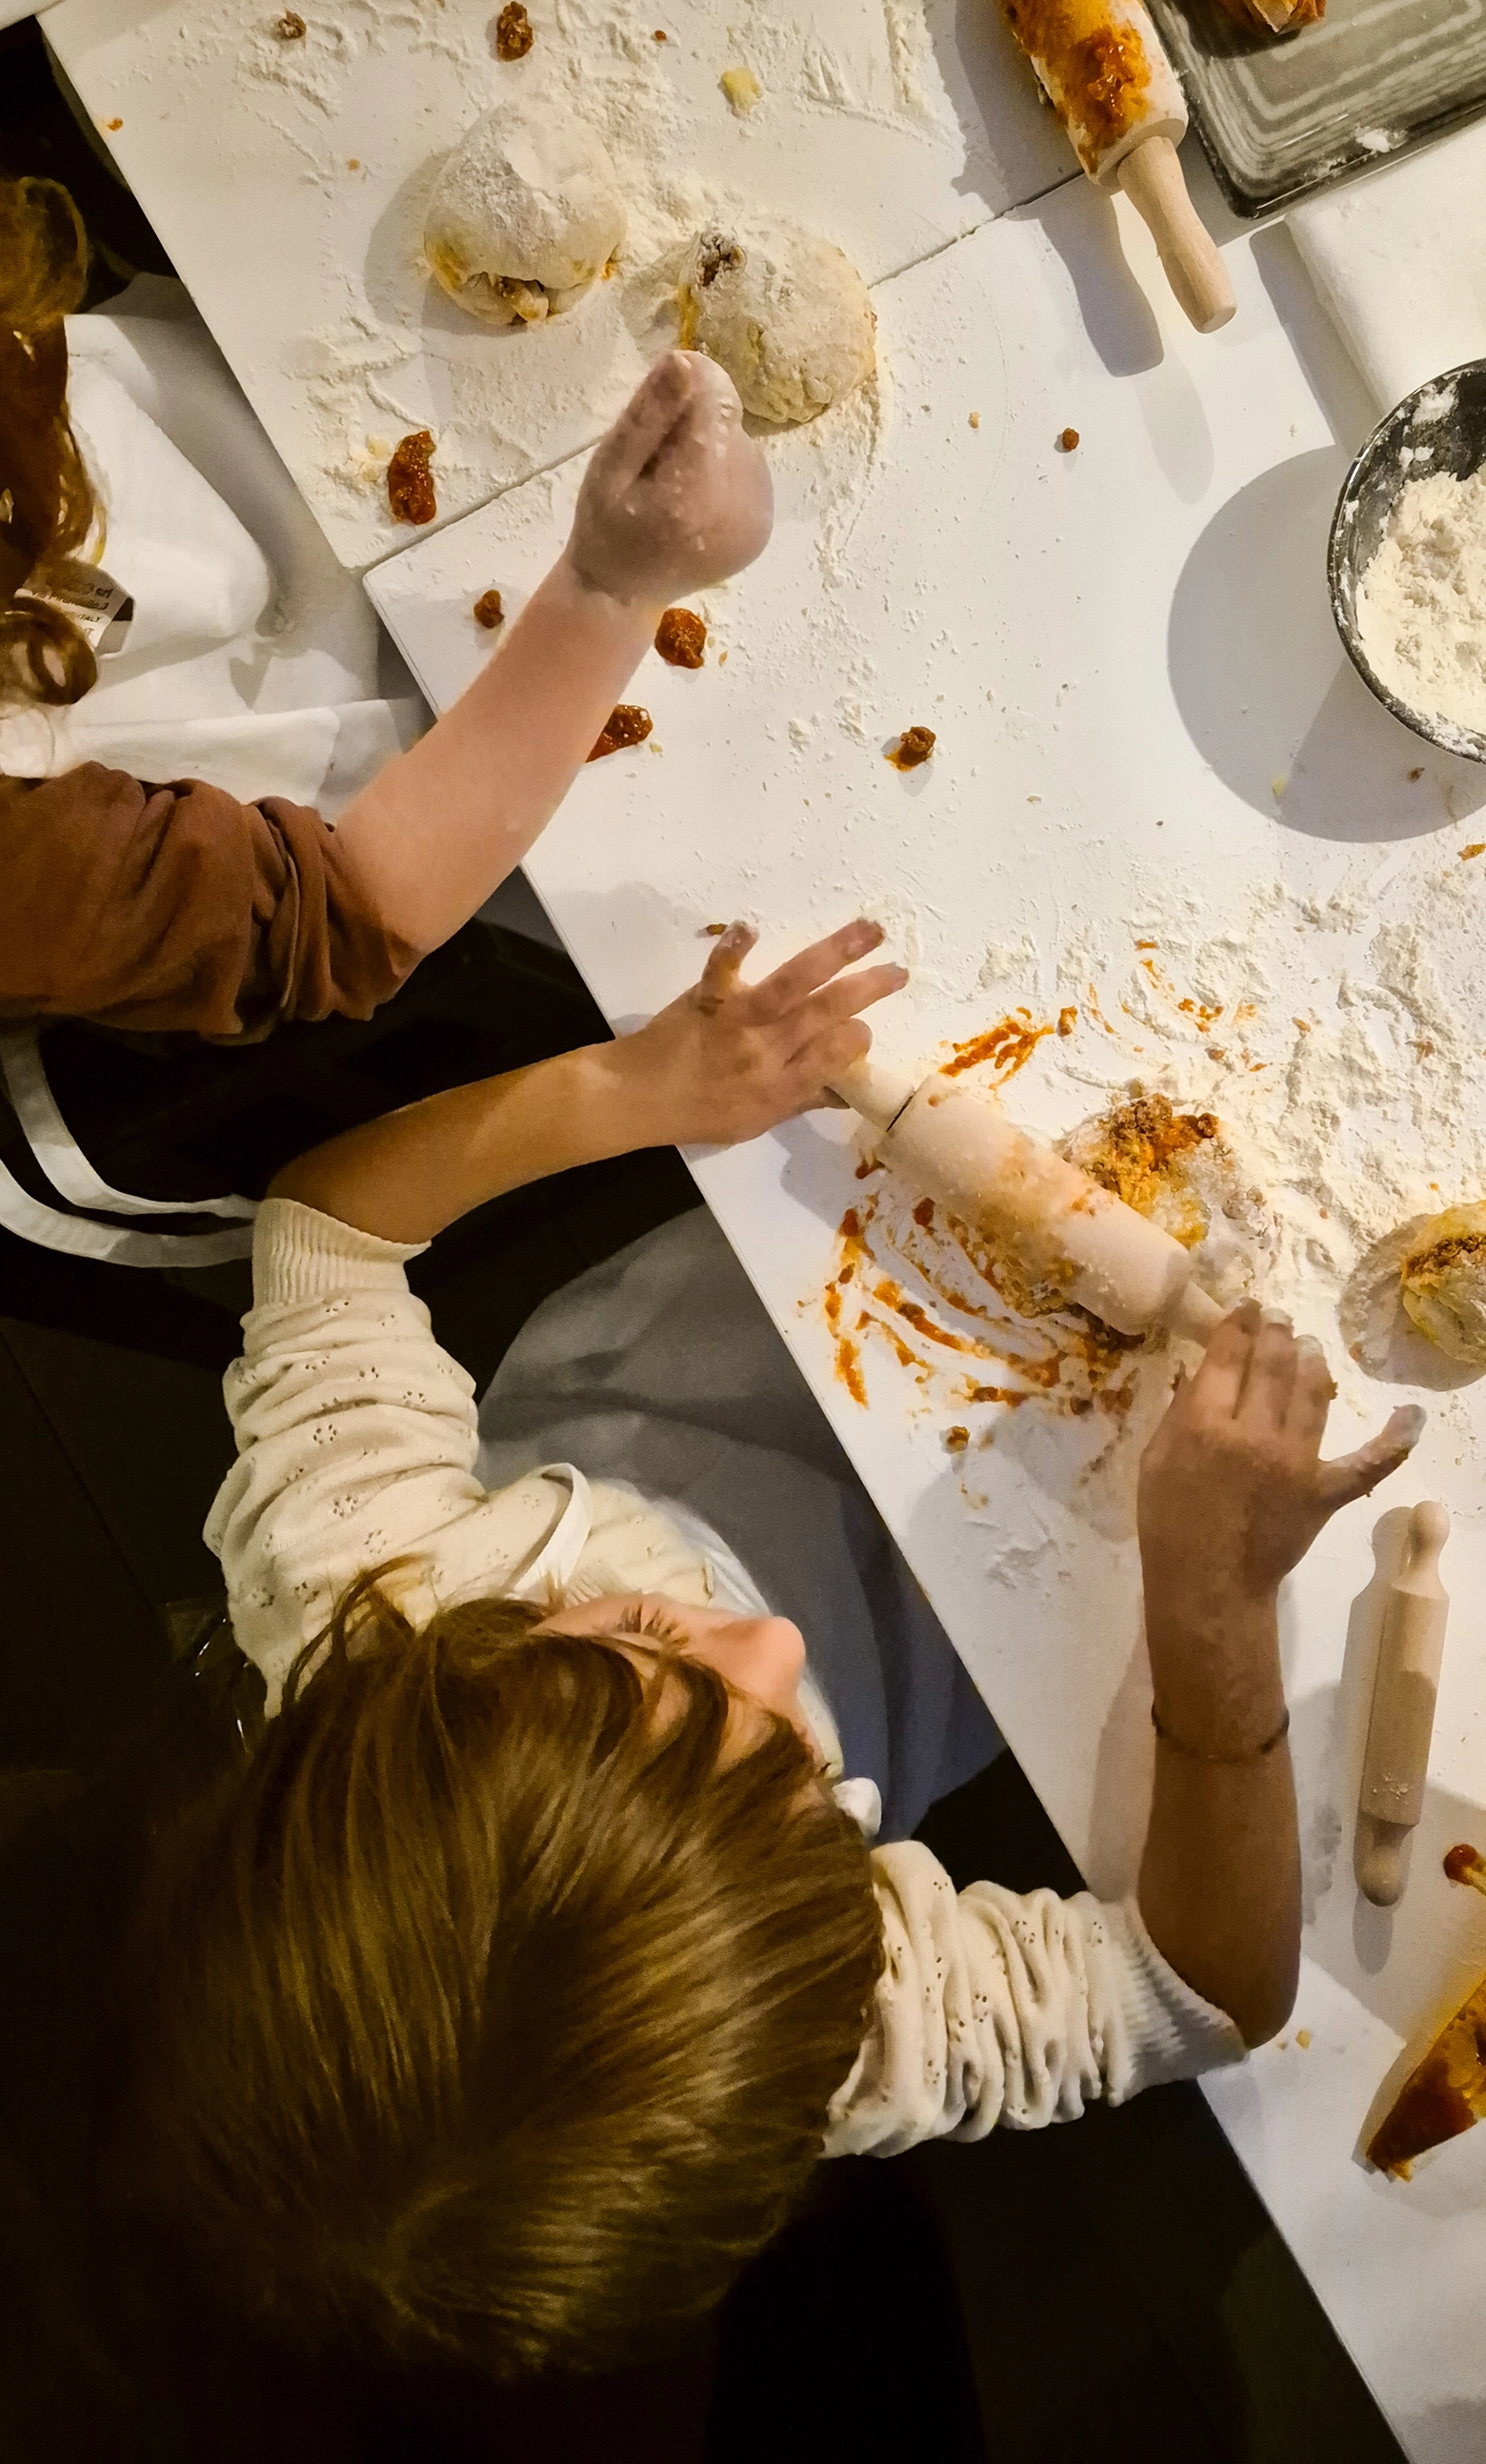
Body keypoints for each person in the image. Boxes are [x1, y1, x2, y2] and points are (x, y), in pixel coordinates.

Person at [119, 913, 1425, 2386]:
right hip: (1009, 1596)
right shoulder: (805, 2021)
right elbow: (1207, 1992)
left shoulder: (360, 1579)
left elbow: (325, 1233)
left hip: (740, 1322)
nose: (774, 1640)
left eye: (635, 1635)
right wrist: (1212, 1610)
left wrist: (631, 1091)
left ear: (439, 1659)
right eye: (805, 1791)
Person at [0, 172, 771, 1258]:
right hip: (382, 799)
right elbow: (351, 914)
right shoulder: (25, 879)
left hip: (222, 442)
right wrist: (609, 594)